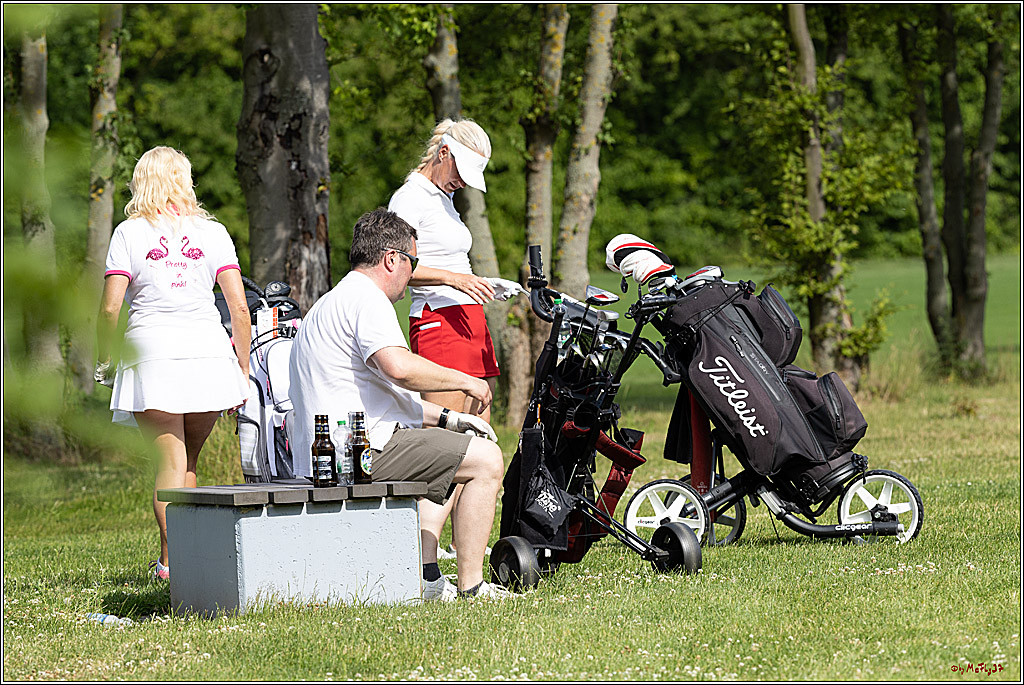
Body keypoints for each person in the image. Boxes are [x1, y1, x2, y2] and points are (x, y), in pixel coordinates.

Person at [288, 208, 511, 601]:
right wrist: (466, 381)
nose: (412, 276)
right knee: (487, 461)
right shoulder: (368, 300)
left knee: (459, 448)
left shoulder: (329, 303)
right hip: (357, 453)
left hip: (327, 455)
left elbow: (382, 398)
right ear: (392, 259)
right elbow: (400, 369)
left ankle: (426, 574)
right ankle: (472, 587)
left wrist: (451, 418)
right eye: (413, 262)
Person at [94, 146, 251, 581]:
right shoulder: (213, 232)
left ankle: (177, 565)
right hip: (207, 353)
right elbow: (239, 308)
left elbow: (110, 309)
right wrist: (242, 368)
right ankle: (178, 561)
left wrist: (105, 358)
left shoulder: (129, 233)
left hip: (153, 355)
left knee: (169, 465)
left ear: (141, 181)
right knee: (188, 465)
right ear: (185, 180)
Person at [387, 118, 523, 560]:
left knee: (477, 435)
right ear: (443, 151)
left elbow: (451, 261)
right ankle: (424, 553)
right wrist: (455, 279)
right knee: (447, 444)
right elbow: (395, 264)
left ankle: (457, 548)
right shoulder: (410, 197)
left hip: (468, 319)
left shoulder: (444, 199)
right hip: (438, 319)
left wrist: (481, 283)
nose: (464, 181)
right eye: (461, 168)